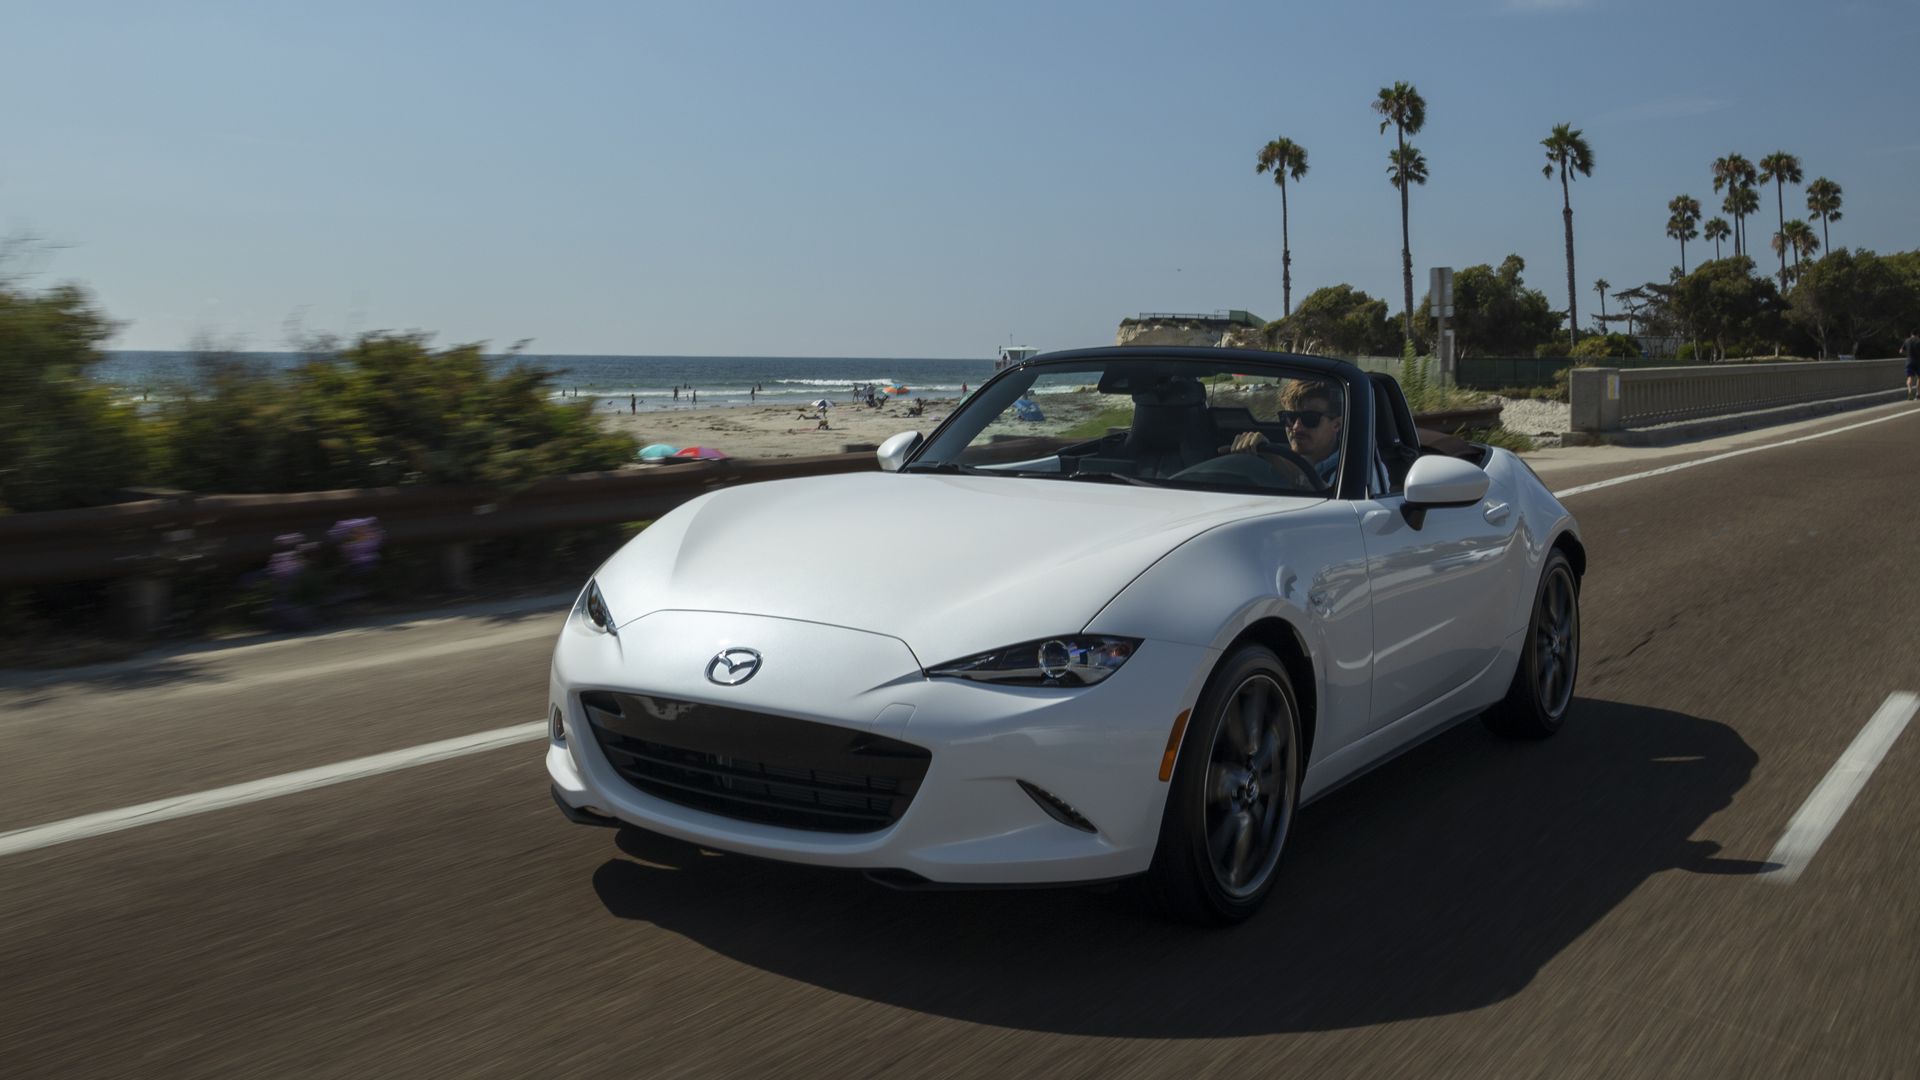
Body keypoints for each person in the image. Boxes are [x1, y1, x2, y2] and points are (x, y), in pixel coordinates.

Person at [1229, 379, 1343, 487]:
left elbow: (1329, 494)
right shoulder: (1281, 460)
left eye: (1310, 419)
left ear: (1337, 425)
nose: (1296, 427)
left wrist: (1273, 458)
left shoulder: (1349, 470)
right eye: (1290, 417)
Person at [1904, 330, 1920, 401]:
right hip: (1918, 362)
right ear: (1917, 335)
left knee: (1909, 377)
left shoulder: (1906, 341)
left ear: (1911, 334)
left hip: (1909, 362)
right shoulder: (1919, 341)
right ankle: (1918, 394)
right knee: (1919, 378)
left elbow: (1901, 351)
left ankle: (1910, 392)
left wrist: (1908, 354)